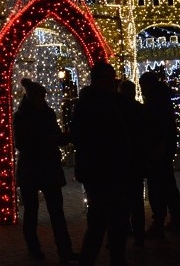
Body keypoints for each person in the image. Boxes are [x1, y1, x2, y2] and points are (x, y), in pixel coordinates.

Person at [70, 61, 132, 266]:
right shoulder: (89, 103)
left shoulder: (115, 101)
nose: (110, 81)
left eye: (111, 77)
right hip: (98, 170)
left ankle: (117, 257)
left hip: (115, 169)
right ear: (96, 80)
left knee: (118, 219)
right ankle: (89, 260)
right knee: (98, 221)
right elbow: (81, 136)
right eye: (106, 78)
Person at [13, 78, 78, 263]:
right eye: (41, 96)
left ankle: (65, 250)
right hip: (32, 169)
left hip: (48, 168)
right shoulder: (22, 116)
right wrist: (49, 140)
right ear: (33, 97)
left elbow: (55, 135)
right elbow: (22, 143)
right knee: (32, 213)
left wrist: (62, 138)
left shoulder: (47, 114)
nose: (43, 99)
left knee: (57, 212)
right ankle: (34, 249)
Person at [139, 71, 180, 238]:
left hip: (157, 149)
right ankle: (175, 218)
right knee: (168, 183)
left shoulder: (154, 101)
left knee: (157, 186)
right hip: (164, 148)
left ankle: (159, 221)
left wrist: (154, 146)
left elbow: (155, 126)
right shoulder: (162, 99)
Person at [118, 78, 146, 247]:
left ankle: (123, 230)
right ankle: (139, 235)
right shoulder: (140, 109)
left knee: (122, 199)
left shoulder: (117, 111)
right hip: (135, 161)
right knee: (135, 200)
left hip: (122, 161)